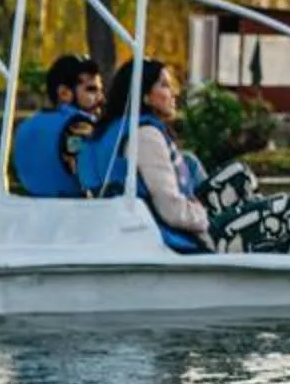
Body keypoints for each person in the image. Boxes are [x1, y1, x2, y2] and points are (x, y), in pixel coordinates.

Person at [80, 58, 212, 250]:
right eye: (165, 85)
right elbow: (171, 210)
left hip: (114, 234)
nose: (174, 93)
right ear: (146, 96)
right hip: (164, 241)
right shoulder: (145, 135)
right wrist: (205, 216)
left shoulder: (107, 132)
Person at [8, 53, 104, 199]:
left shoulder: (26, 126)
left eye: (100, 90)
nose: (101, 98)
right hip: (77, 212)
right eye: (91, 90)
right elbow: (95, 179)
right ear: (64, 93)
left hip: (33, 211)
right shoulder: (81, 126)